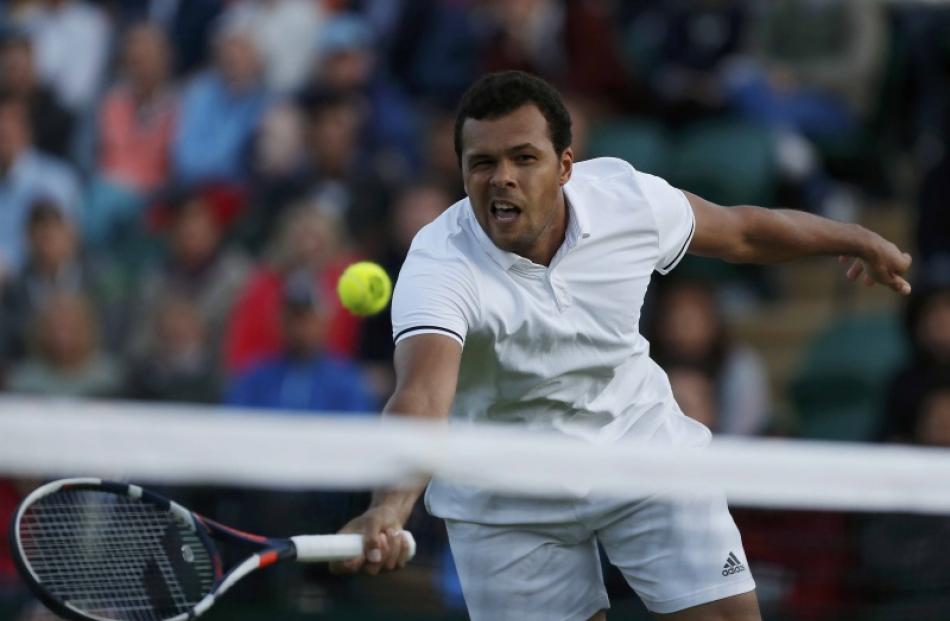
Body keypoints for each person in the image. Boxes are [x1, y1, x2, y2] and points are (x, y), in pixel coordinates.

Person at [331, 71, 912, 621]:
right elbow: (423, 398)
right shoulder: (437, 264)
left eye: (523, 158)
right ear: (461, 173)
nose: (501, 177)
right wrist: (388, 507)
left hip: (637, 448)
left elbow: (741, 231)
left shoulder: (625, 200)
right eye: (481, 163)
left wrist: (853, 237)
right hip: (505, 493)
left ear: (564, 166)